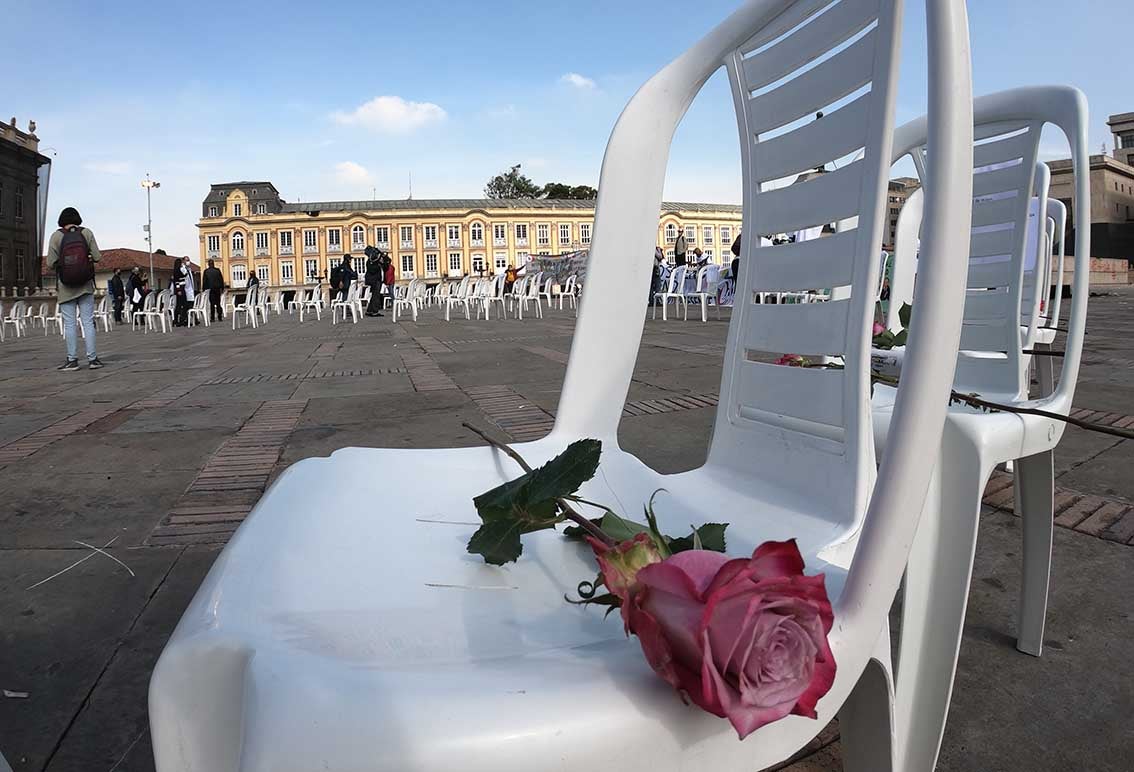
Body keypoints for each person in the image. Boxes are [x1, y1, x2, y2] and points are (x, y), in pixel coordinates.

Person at [48, 207, 103, 370]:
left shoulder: (56, 236)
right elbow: (98, 257)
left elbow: (50, 263)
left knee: (70, 324)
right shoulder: (86, 233)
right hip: (85, 285)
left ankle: (72, 360)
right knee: (87, 322)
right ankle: (93, 359)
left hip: (66, 287)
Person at [364, 247, 384, 317]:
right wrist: (378, 263)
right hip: (374, 281)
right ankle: (374, 311)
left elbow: (386, 265)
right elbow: (372, 270)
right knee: (376, 296)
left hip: (377, 280)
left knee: (374, 296)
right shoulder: (370, 262)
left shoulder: (375, 262)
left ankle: (369, 310)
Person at [171, 258, 190, 327]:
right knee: (181, 305)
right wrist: (178, 290)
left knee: (180, 305)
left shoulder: (179, 270)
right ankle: (178, 320)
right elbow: (176, 281)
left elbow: (185, 274)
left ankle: (178, 320)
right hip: (180, 289)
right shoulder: (176, 271)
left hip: (182, 288)